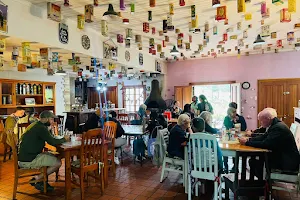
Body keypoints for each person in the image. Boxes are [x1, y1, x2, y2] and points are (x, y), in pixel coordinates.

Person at [239, 108, 300, 179]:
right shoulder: (275, 125)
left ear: (268, 119)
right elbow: (263, 137)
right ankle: (260, 184)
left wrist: (247, 143)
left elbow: (266, 144)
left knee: (254, 162)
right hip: (282, 158)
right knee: (253, 161)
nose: (260, 123)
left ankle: (261, 184)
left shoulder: (278, 128)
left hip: (286, 164)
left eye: (261, 120)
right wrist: (249, 140)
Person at [18, 111, 69, 192]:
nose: (53, 121)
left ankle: (41, 181)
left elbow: (49, 139)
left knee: (51, 156)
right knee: (58, 163)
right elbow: (52, 142)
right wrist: (65, 139)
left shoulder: (36, 125)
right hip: (29, 160)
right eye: (51, 119)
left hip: (25, 157)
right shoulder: (41, 128)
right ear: (45, 119)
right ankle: (38, 179)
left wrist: (49, 131)